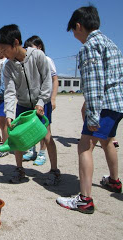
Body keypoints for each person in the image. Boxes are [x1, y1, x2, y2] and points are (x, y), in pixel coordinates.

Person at [56, 6, 123, 214]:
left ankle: (84, 199)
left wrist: (92, 115)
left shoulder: (89, 46)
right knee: (108, 140)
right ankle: (114, 181)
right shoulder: (110, 43)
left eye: (74, 31)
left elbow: (94, 83)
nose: (75, 36)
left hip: (103, 104)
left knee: (85, 145)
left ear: (78, 26)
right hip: (117, 103)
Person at [0, 24, 60, 185]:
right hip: (23, 104)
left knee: (46, 135)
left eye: (5, 50)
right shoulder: (8, 66)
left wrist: (41, 101)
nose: (3, 54)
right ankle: (19, 169)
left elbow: (46, 80)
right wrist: (9, 113)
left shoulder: (37, 56)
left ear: (16, 42)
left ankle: (54, 170)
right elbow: (9, 91)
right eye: (0, 51)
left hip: (41, 103)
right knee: (16, 137)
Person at [22, 36, 59, 166]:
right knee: (32, 128)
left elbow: (54, 80)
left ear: (39, 47)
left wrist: (53, 98)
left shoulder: (47, 59)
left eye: (31, 47)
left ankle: (43, 153)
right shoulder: (27, 61)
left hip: (44, 100)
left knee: (44, 129)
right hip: (32, 101)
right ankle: (32, 151)